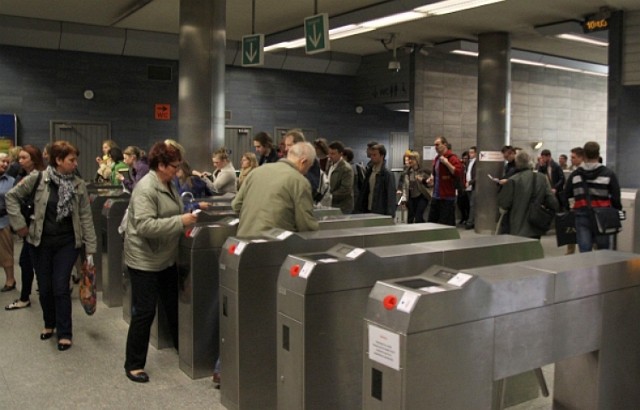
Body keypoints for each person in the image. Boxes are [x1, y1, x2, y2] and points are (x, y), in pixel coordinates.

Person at [6, 141, 96, 351]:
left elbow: (85, 216)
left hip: (67, 243)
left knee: (60, 286)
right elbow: (12, 197)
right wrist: (19, 225)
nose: (76, 164)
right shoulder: (37, 179)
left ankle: (65, 333)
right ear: (58, 160)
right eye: (71, 160)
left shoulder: (78, 185)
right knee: (45, 287)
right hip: (40, 242)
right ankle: (49, 323)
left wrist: (90, 248)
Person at [123, 141, 199, 383]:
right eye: (174, 166)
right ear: (161, 165)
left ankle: (182, 348)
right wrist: (181, 221)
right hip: (144, 259)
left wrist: (190, 212)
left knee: (172, 304)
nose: (177, 171)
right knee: (144, 312)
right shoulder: (146, 188)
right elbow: (145, 226)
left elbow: (172, 211)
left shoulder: (168, 183)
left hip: (165, 257)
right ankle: (133, 364)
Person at [232, 142, 319, 238]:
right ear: (303, 161)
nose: (307, 171)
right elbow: (305, 224)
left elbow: (236, 205)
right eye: (309, 166)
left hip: (243, 239)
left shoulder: (256, 171)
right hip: (275, 243)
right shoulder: (299, 181)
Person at [5, 145, 47, 311]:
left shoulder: (40, 176)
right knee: (26, 261)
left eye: (24, 158)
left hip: (37, 226)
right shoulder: (22, 174)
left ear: (34, 159)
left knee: (35, 263)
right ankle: (25, 296)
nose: (20, 161)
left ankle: (32, 296)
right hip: (27, 224)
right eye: (19, 158)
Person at [562, 141, 622, 252]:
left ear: (584, 155)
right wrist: (617, 210)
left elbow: (566, 194)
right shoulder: (608, 174)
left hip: (581, 214)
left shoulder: (575, 175)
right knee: (603, 250)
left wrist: (569, 208)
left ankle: (587, 269)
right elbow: (616, 197)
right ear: (598, 155)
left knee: (585, 251)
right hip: (603, 215)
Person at [497, 151, 558, 239]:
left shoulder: (512, 180)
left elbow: (504, 203)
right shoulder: (541, 178)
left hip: (516, 226)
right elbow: (552, 202)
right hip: (536, 223)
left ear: (517, 163)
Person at [426, 136, 463, 226]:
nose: (435, 147)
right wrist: (431, 178)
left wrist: (447, 163)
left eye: (438, 144)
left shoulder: (452, 158)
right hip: (436, 195)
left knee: (445, 224)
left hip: (447, 197)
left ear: (445, 145)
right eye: (434, 145)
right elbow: (435, 174)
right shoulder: (437, 159)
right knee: (432, 222)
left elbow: (458, 172)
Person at [356, 144, 397, 216]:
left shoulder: (387, 174)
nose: (372, 157)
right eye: (371, 155)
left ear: (382, 156)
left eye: (374, 155)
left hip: (380, 211)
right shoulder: (370, 171)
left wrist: (390, 215)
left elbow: (391, 197)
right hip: (367, 209)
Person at [397, 150, 430, 223]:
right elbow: (405, 186)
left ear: (417, 160)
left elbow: (430, 183)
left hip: (422, 196)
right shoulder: (407, 172)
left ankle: (422, 231)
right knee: (410, 217)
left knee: (418, 216)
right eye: (409, 159)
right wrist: (404, 198)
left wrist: (423, 180)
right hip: (411, 197)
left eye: (412, 159)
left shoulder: (424, 171)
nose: (410, 161)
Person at [563, 146, 585, 255]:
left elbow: (568, 191)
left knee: (574, 232)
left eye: (574, 157)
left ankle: (571, 253)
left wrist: (569, 206)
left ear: (581, 157)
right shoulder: (574, 172)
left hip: (578, 207)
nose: (571, 159)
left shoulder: (578, 173)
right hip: (576, 206)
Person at [0, 153, 16, 292]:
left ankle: (10, 280)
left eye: (7, 162)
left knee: (6, 252)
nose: (5, 164)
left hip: (3, 221)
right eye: (2, 161)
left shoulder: (11, 181)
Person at [327, 141, 354, 213]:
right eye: (329, 153)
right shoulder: (330, 164)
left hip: (342, 207)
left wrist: (329, 197)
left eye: (333, 154)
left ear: (340, 154)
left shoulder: (346, 168)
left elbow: (345, 189)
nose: (330, 156)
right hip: (332, 204)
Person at [464, 146, 478, 230]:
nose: (470, 154)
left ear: (476, 153)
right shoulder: (469, 162)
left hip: (473, 185)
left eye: (472, 152)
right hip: (467, 186)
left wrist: (470, 182)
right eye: (469, 152)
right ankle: (471, 220)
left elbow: (477, 175)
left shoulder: (477, 162)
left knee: (472, 204)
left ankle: (470, 222)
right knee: (470, 204)